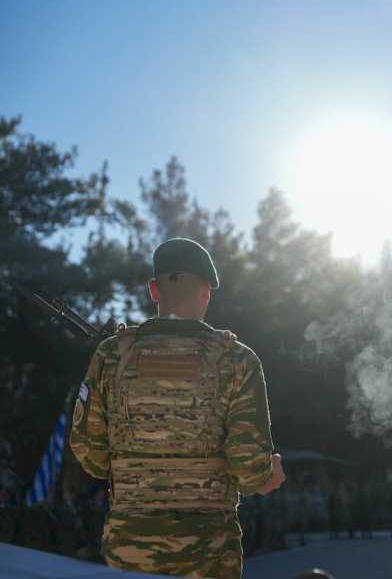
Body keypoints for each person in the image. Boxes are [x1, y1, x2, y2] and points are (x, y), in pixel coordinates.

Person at [69, 237, 286, 579]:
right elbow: (248, 467)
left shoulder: (112, 355)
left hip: (130, 551)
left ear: (154, 290)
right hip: (210, 552)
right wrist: (267, 474)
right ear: (206, 293)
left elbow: (90, 455)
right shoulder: (237, 360)